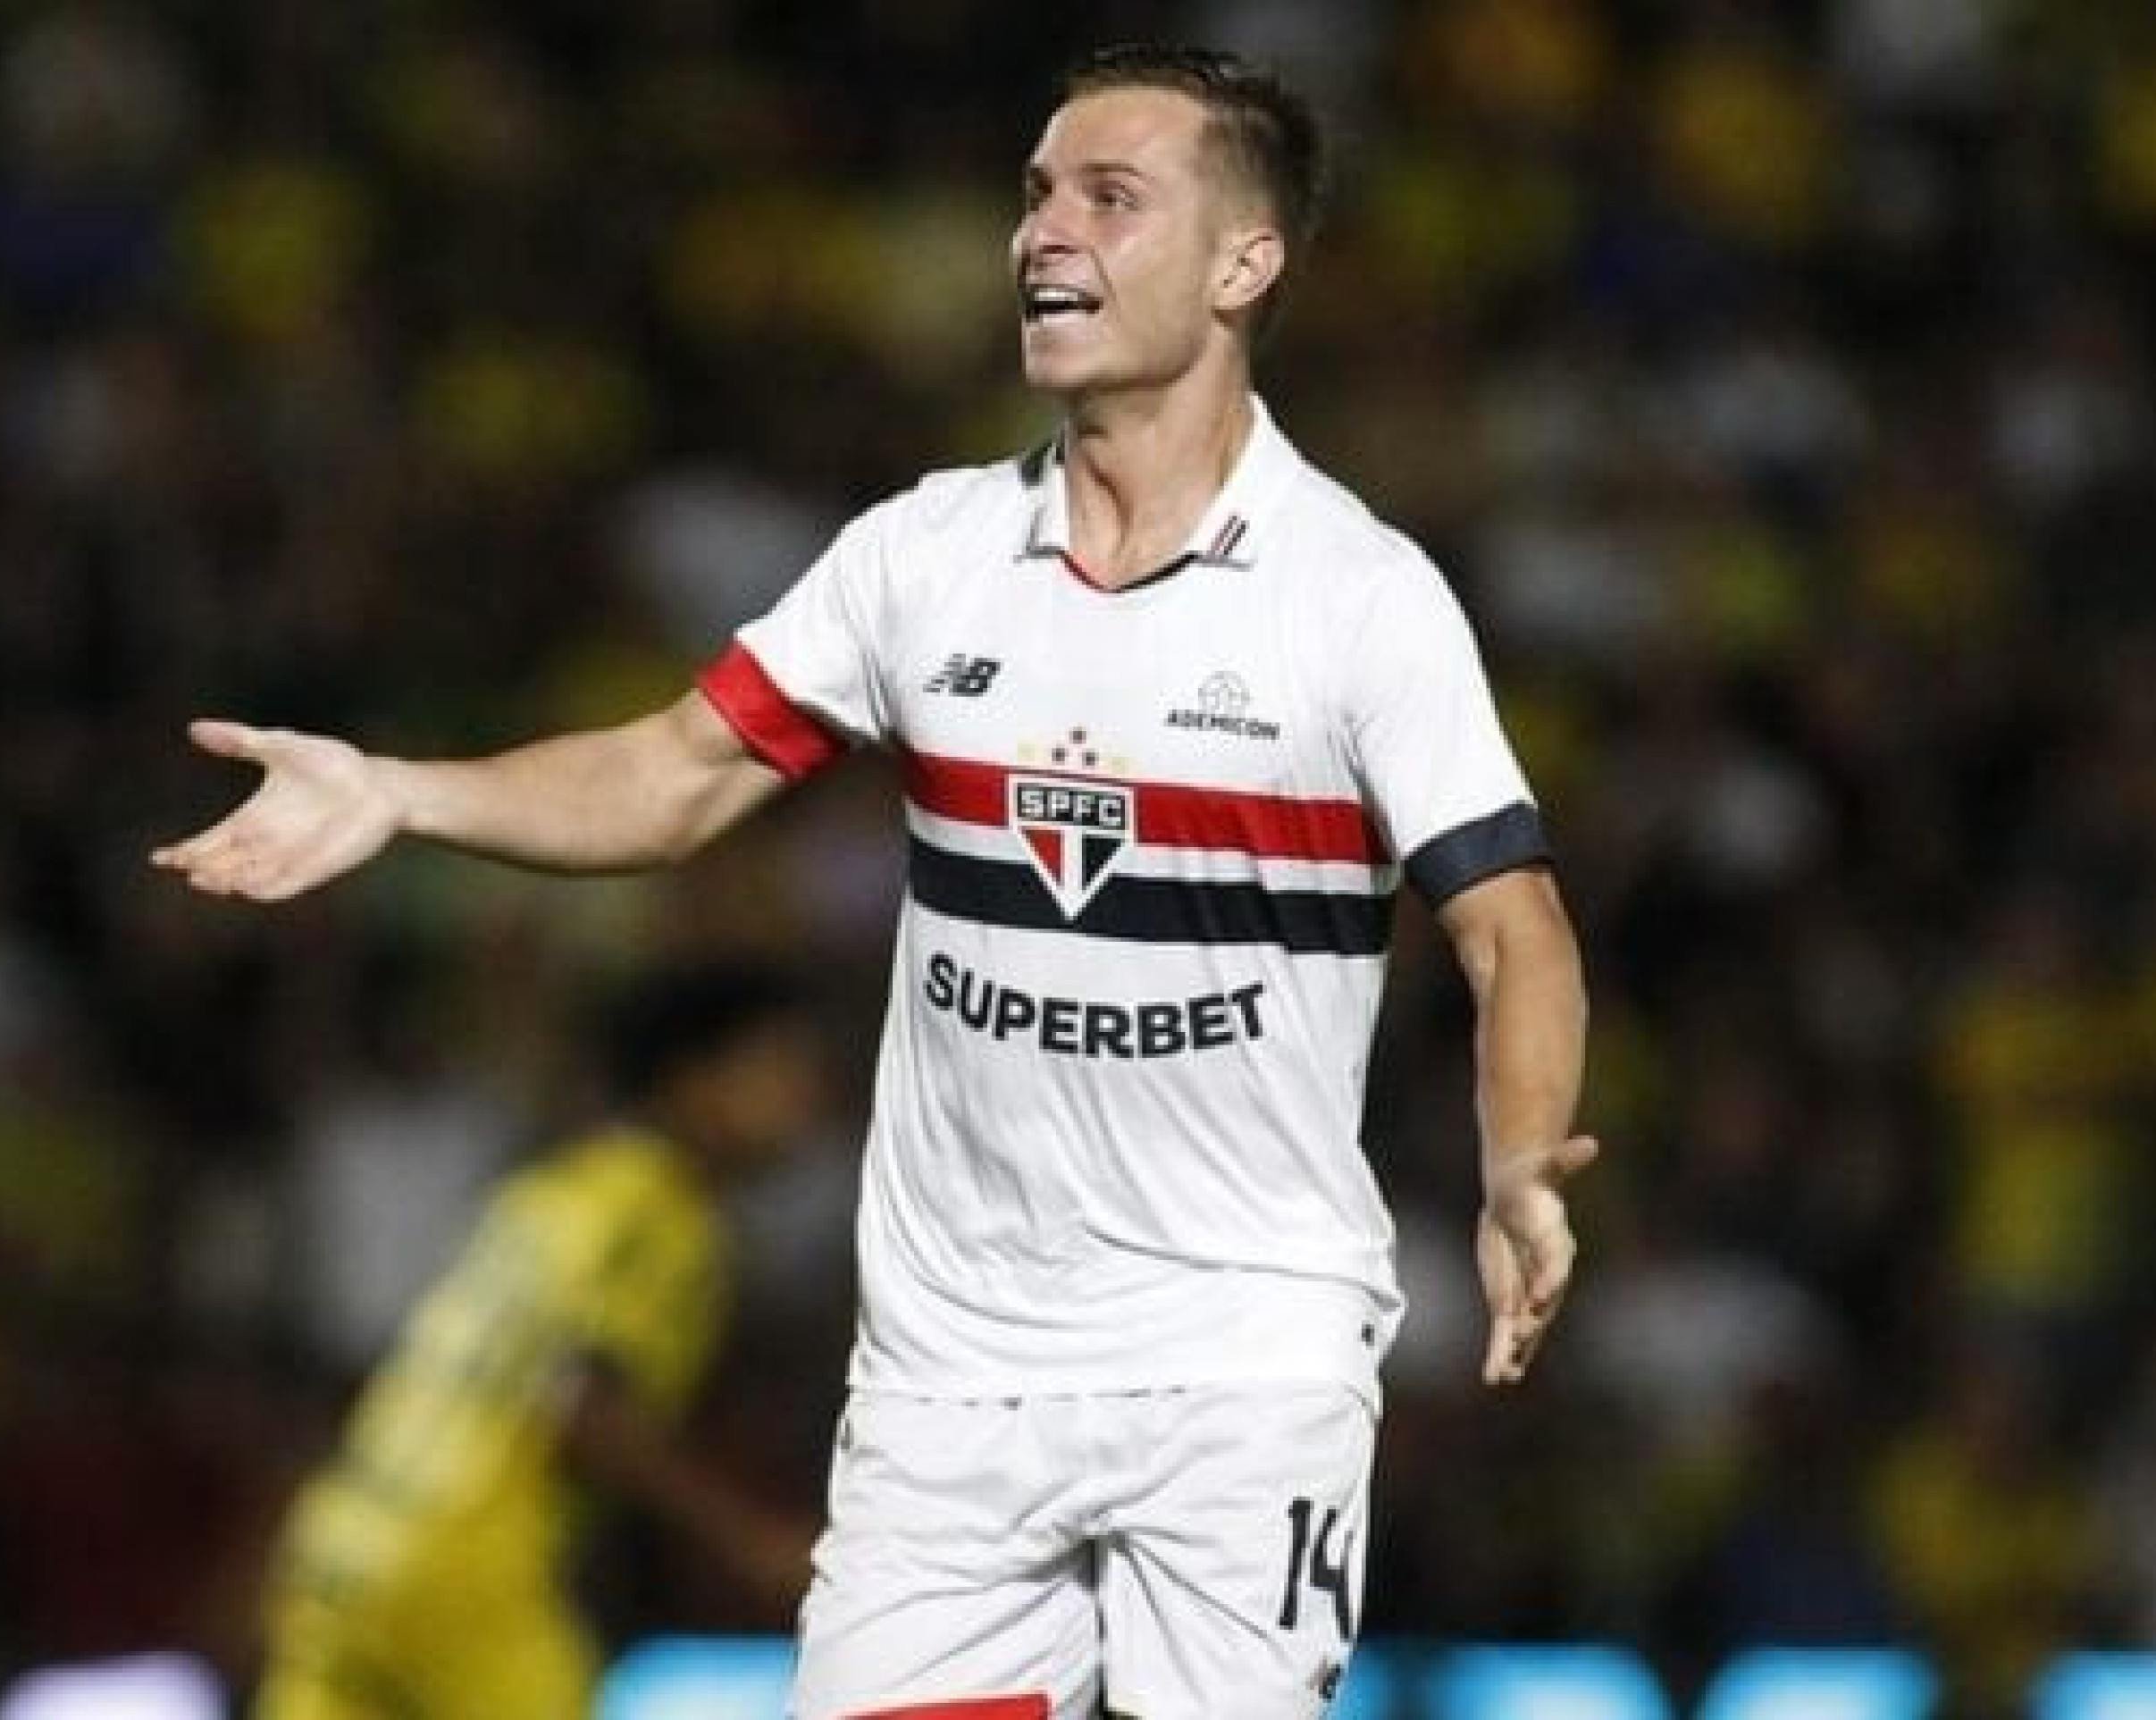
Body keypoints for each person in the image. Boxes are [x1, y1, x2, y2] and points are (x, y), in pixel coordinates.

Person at [158, 43, 1595, 1719]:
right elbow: (674, 775)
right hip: (947, 1381)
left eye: (1109, 198)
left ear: (1241, 263)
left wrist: (1516, 1168)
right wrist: (400, 791)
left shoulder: (1357, 598)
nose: (1044, 233)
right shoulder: (922, 559)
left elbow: (1516, 929)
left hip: (1235, 1368)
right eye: (1036, 194)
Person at [248, 962, 825, 1720]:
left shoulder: (555, 1186)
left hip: (344, 1547)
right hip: (466, 1570)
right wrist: (751, 1539)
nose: (805, 1097)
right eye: (777, 1067)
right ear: (694, 1078)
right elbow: (585, 1405)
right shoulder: (664, 1214)